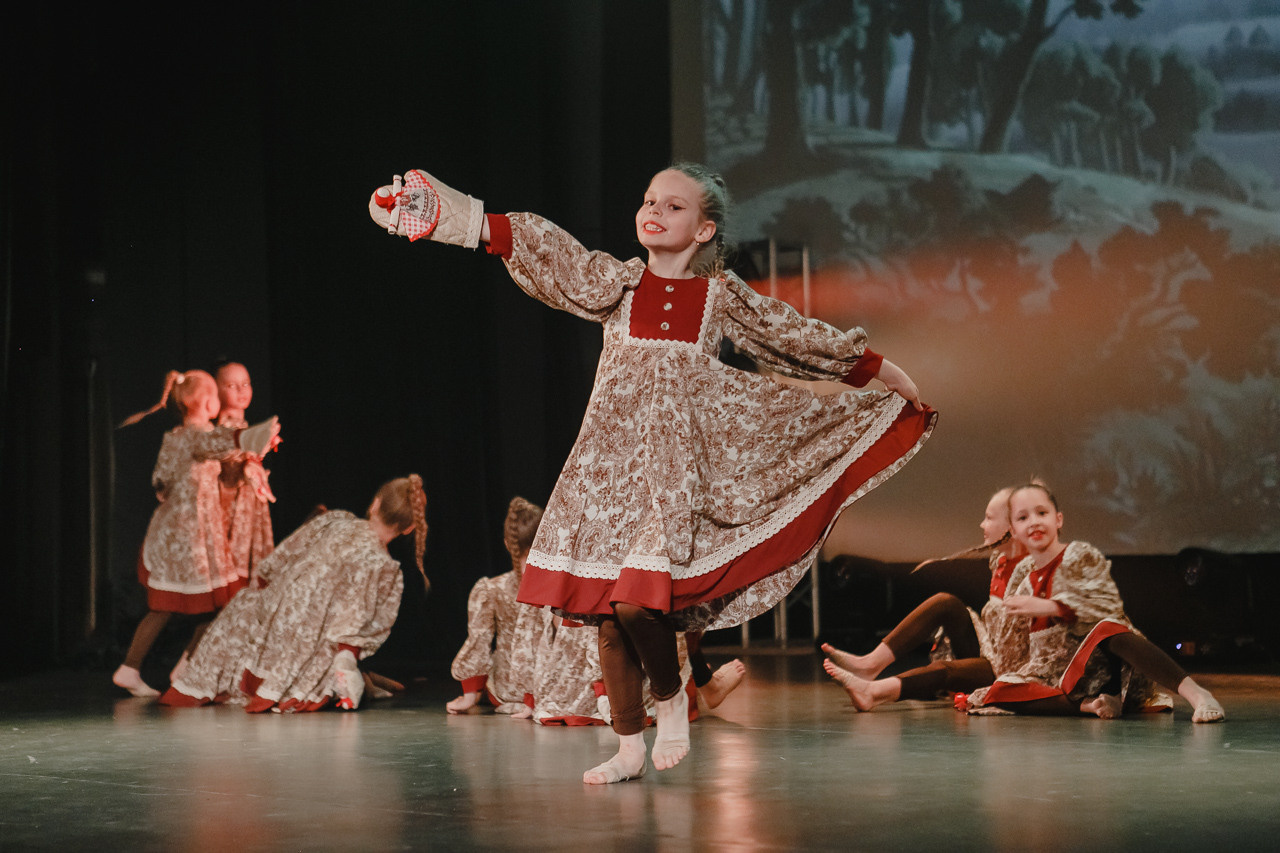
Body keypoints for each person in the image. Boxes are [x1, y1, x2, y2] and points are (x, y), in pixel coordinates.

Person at [369, 163, 935, 783]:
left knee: (641, 604)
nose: (653, 212)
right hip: (606, 475)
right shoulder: (618, 284)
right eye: (647, 201)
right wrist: (460, 218)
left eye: (672, 206)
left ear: (703, 229)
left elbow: (791, 334)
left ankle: (670, 703)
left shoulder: (720, 295)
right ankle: (628, 747)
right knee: (608, 620)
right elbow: (547, 250)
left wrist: (881, 371)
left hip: (672, 478)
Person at [159, 475, 427, 712]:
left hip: (278, 616)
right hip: (306, 638)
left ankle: (361, 678)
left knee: (247, 604)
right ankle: (356, 677)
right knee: (329, 646)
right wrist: (347, 652)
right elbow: (357, 619)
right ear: (408, 528)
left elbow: (283, 556)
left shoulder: (336, 520)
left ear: (376, 504)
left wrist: (267, 589)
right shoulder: (383, 567)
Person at [965, 483, 1224, 723]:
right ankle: (1088, 705)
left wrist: (1051, 607)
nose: (1033, 522)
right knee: (999, 690)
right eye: (1023, 518)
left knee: (1108, 629)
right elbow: (1013, 649)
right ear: (1014, 531)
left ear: (1058, 520)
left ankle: (1198, 695)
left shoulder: (1078, 554)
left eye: (1041, 513)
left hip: (1102, 665)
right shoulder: (1024, 575)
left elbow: (1104, 606)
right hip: (1055, 674)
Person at [113, 369, 280, 698]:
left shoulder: (176, 436)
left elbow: (163, 478)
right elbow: (217, 443)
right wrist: (255, 435)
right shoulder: (197, 434)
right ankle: (152, 667)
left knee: (204, 604)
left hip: (181, 531)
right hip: (186, 535)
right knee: (200, 603)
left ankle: (165, 666)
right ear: (205, 402)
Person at [820, 487, 1031, 711]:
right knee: (945, 602)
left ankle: (873, 692)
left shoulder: (1031, 568)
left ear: (1011, 527)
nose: (982, 524)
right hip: (994, 654)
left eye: (989, 518)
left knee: (946, 669)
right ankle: (870, 664)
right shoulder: (999, 560)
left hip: (1011, 670)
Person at [447, 497, 551, 717]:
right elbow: (480, 640)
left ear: (506, 543)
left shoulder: (492, 589)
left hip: (541, 684)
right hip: (524, 687)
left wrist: (471, 693)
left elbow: (479, 640)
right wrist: (471, 691)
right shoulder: (493, 590)